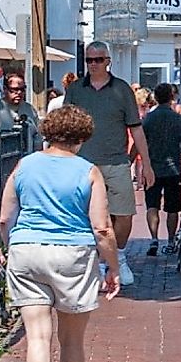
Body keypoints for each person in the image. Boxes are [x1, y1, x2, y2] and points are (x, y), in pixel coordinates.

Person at [0, 100, 121, 362]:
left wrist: (13, 246)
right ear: (81, 138)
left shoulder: (24, 166)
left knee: (37, 336)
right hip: (72, 254)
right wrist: (112, 267)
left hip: (27, 250)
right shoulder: (88, 171)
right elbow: (101, 227)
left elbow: (6, 216)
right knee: (71, 341)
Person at [65, 44, 145, 287]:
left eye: (98, 59)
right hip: (82, 163)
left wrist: (147, 164)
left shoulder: (121, 89)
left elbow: (136, 128)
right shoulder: (76, 89)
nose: (93, 64)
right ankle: (99, 262)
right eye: (89, 60)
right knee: (85, 216)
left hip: (116, 162)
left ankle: (118, 256)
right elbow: (65, 125)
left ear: (107, 61)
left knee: (124, 214)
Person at [141, 81, 181, 256]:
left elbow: (140, 142)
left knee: (152, 205)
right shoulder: (178, 119)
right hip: (173, 170)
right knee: (173, 208)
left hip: (153, 169)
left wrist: (131, 160)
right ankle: (171, 240)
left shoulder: (148, 119)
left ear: (155, 98)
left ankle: (154, 238)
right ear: (172, 97)